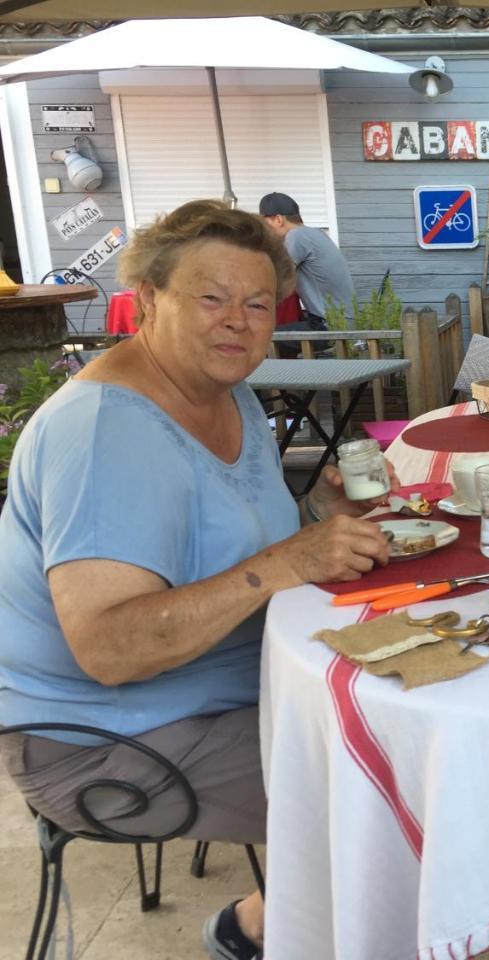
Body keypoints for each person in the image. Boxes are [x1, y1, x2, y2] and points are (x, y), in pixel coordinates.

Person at [0, 200, 393, 960]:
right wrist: (288, 562)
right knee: (389, 774)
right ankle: (265, 929)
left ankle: (273, 918)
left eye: (257, 305)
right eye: (211, 299)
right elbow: (109, 647)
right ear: (149, 298)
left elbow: (231, 535)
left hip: (223, 687)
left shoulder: (222, 390)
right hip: (99, 742)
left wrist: (317, 511)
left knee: (407, 706)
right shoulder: (109, 430)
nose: (239, 323)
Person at [258, 191, 354, 357]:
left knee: (258, 337)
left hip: (329, 327)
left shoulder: (296, 237)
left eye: (266, 224)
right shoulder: (316, 234)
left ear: (278, 219)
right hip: (339, 321)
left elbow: (272, 277)